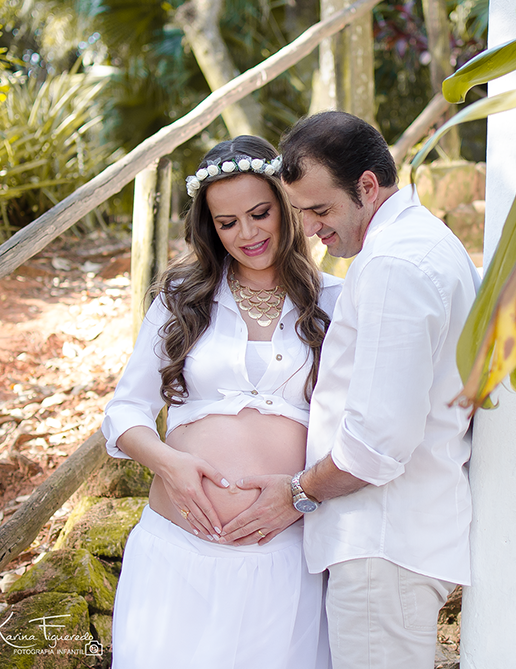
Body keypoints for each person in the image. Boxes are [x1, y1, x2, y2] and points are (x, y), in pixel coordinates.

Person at [223, 111, 480, 669]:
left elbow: (376, 443)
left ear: (367, 185)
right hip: (389, 541)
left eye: (321, 209)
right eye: (301, 213)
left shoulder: (394, 264)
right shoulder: (420, 243)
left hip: (381, 545)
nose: (311, 228)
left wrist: (296, 493)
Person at [101, 135, 340, 669]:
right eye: (228, 223)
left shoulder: (336, 301)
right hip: (177, 555)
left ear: (286, 205)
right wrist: (170, 464)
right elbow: (123, 413)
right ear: (210, 227)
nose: (248, 234)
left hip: (286, 559)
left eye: (260, 214)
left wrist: (304, 493)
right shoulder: (182, 298)